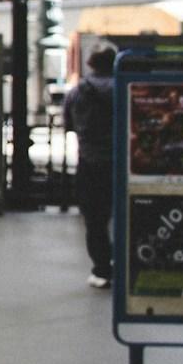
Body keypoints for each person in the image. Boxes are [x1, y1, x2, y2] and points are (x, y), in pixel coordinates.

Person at [65, 43, 118, 289]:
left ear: (90, 64)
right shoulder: (125, 88)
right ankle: (125, 263)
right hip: (122, 164)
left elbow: (69, 126)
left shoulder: (78, 92)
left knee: (95, 220)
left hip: (90, 161)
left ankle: (102, 269)